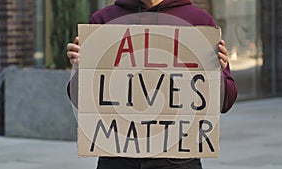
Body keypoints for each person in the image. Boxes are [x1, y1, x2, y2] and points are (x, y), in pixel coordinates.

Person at [67, 0, 237, 169]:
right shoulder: (104, 20)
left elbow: (226, 101)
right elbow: (79, 100)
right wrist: (81, 67)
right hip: (118, 158)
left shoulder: (199, 22)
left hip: (178, 160)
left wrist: (217, 71)